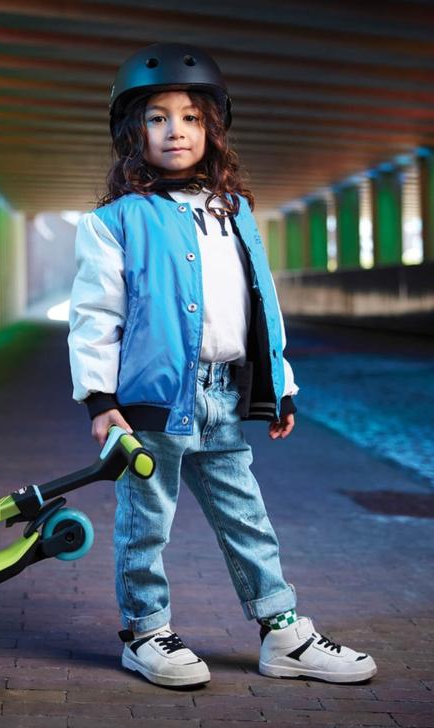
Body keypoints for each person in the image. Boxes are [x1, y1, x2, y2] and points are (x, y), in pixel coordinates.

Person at [67, 42, 377, 688]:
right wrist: (100, 399)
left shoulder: (233, 212)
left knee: (247, 517)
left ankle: (282, 633)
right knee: (145, 522)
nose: (174, 130)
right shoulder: (114, 222)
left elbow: (261, 301)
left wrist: (280, 387)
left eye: (190, 116)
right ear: (131, 132)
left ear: (212, 128)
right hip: (151, 406)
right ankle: (145, 630)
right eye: (156, 117)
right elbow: (96, 314)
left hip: (221, 396)